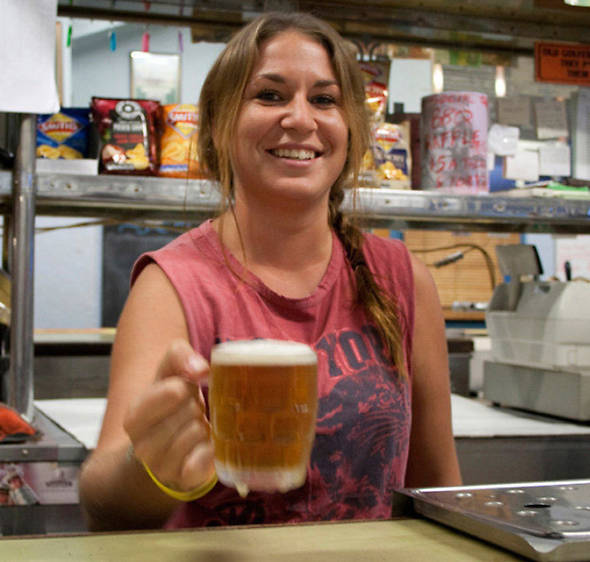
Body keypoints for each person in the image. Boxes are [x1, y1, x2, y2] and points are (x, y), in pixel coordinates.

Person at [79, 11, 462, 531]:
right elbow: (104, 505)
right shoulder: (173, 283)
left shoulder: (402, 278)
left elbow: (438, 486)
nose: (301, 119)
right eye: (270, 95)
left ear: (350, 129)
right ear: (217, 125)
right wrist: (147, 467)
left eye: (324, 100)